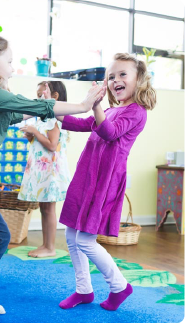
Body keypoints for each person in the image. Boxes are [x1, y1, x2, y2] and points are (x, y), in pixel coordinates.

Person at [0, 31, 106, 322]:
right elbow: (35, 107)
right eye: (10, 62)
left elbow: (21, 113)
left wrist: (26, 100)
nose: (13, 68)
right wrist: (82, 105)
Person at [57, 53, 156, 311]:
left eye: (123, 74)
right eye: (111, 76)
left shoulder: (137, 112)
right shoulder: (112, 109)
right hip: (87, 176)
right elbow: (82, 124)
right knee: (71, 233)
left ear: (139, 80)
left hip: (105, 182)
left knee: (85, 240)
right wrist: (51, 110)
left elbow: (110, 133)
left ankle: (119, 286)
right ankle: (83, 290)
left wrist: (96, 104)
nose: (115, 80)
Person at [18, 81, 71, 258]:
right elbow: (41, 143)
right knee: (44, 208)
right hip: (42, 171)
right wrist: (31, 136)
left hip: (51, 173)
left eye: (41, 95)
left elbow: (52, 145)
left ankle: (50, 247)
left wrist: (35, 131)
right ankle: (45, 244)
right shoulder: (45, 119)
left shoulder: (55, 118)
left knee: (49, 209)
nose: (38, 99)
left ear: (53, 97)